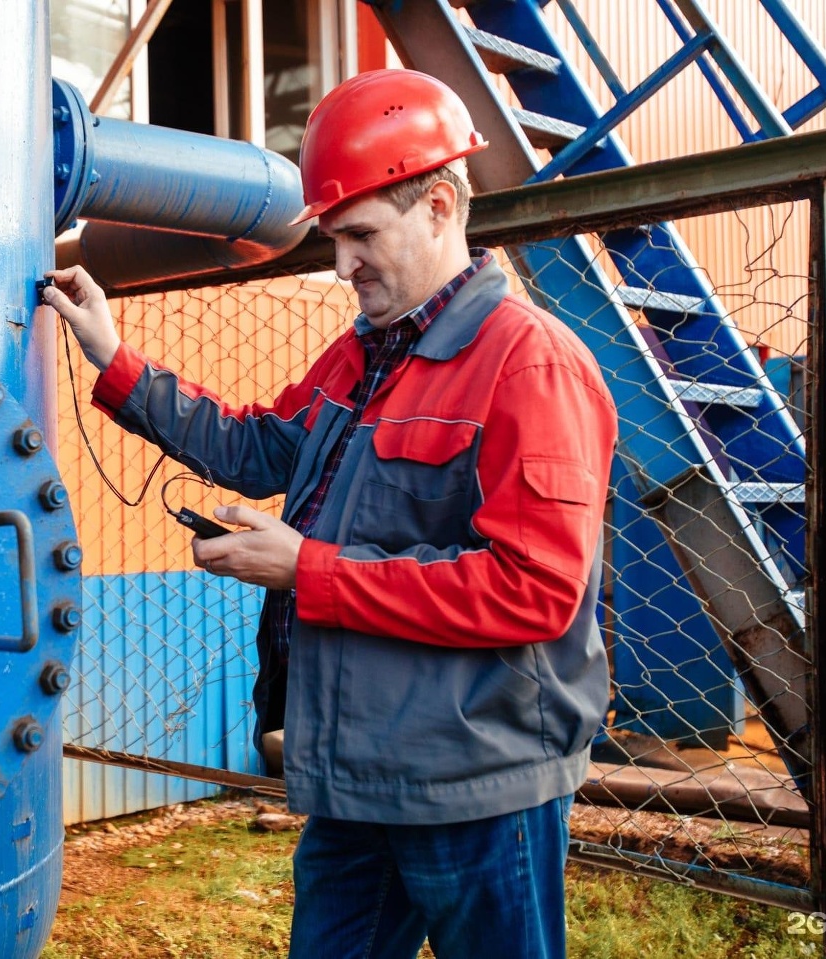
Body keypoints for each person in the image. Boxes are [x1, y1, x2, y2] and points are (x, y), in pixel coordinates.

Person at [42, 69, 617, 959]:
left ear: (438, 205)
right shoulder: (362, 359)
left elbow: (531, 590)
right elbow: (256, 447)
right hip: (361, 775)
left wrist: (304, 568)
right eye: (333, 237)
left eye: (358, 235)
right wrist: (114, 357)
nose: (341, 264)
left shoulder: (530, 365)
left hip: (477, 783)